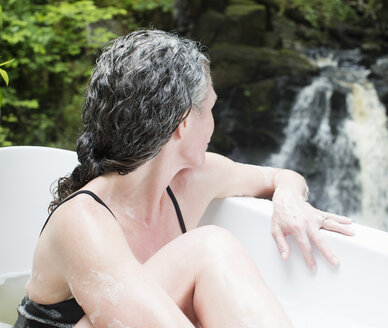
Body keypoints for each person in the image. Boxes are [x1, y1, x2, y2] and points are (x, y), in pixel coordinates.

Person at [15, 30, 354, 328]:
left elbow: (281, 176)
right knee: (210, 248)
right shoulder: (83, 222)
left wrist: (289, 199)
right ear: (183, 123)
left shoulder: (196, 179)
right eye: (210, 110)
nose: (213, 124)